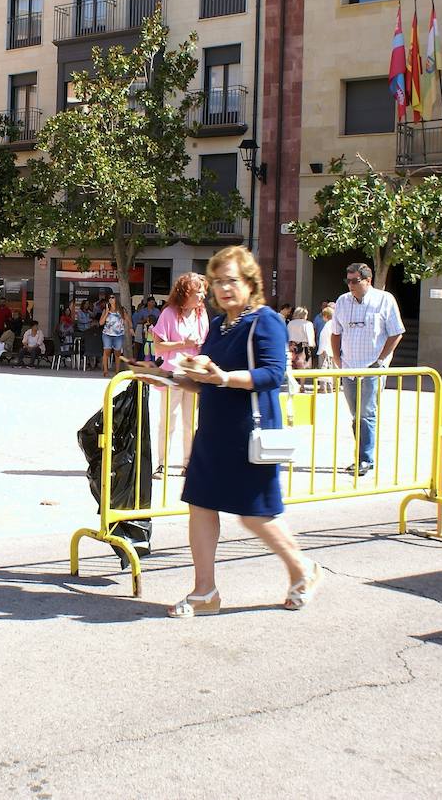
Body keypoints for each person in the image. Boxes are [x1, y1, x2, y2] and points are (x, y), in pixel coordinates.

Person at [153, 245, 319, 617]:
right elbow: (207, 382)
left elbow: (273, 374)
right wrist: (166, 375)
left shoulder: (266, 321)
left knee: (255, 513)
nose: (224, 288)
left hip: (250, 430)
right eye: (217, 282)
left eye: (232, 280)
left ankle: (302, 570)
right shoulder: (216, 325)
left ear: (249, 282)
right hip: (213, 431)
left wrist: (224, 377)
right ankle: (204, 592)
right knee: (200, 506)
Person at [329, 263, 404, 476]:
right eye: (348, 281)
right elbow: (336, 333)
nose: (350, 285)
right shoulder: (343, 301)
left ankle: (365, 459)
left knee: (367, 414)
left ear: (367, 280)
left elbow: (396, 332)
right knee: (356, 415)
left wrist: (381, 360)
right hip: (349, 368)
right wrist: (338, 360)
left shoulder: (384, 300)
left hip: (372, 367)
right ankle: (360, 455)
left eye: (355, 281)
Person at [149, 273, 209, 477]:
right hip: (173, 372)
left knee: (190, 421)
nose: (202, 296)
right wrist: (185, 344)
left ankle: (188, 464)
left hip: (193, 374)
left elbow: (205, 343)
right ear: (186, 293)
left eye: (203, 292)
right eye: (198, 292)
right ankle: (162, 463)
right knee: (168, 419)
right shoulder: (168, 313)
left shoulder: (202, 315)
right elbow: (158, 345)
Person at [100, 298, 128, 377]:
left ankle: (117, 371)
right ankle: (105, 371)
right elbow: (101, 323)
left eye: (113, 297)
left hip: (118, 335)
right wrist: (106, 313)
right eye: (110, 298)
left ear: (116, 299)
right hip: (107, 334)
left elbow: (127, 319)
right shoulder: (106, 310)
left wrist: (130, 328)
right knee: (107, 351)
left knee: (117, 353)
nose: (111, 299)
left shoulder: (122, 310)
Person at [286, 306, 316, 371]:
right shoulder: (308, 323)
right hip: (303, 346)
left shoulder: (290, 323)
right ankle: (302, 381)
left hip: (291, 346)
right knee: (302, 366)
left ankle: (292, 380)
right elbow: (310, 336)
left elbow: (287, 335)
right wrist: (312, 344)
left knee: (291, 365)